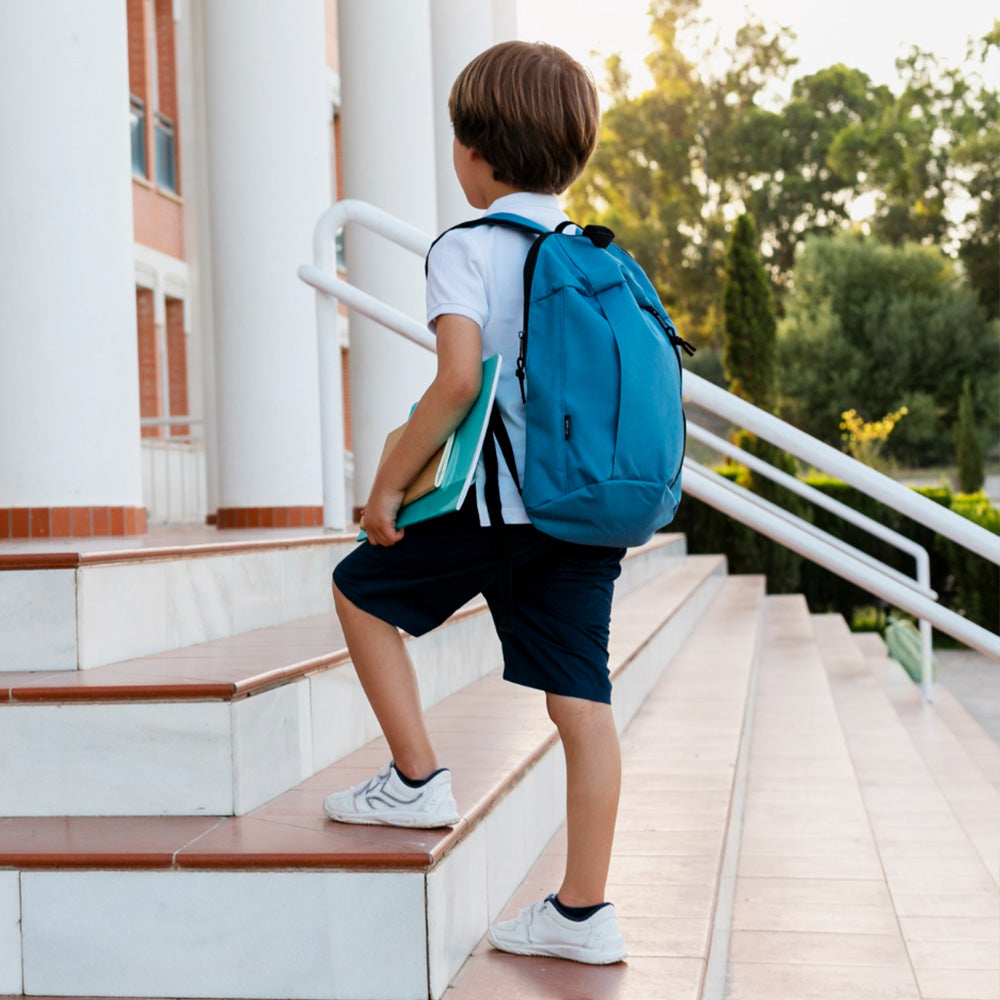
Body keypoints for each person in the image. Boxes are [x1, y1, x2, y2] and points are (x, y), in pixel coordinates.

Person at [323, 40, 627, 966]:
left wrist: (384, 487)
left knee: (358, 589)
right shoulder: (594, 254)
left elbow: (456, 384)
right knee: (582, 702)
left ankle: (418, 779)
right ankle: (584, 915)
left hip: (496, 509)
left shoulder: (469, 249)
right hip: (585, 514)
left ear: (472, 151)